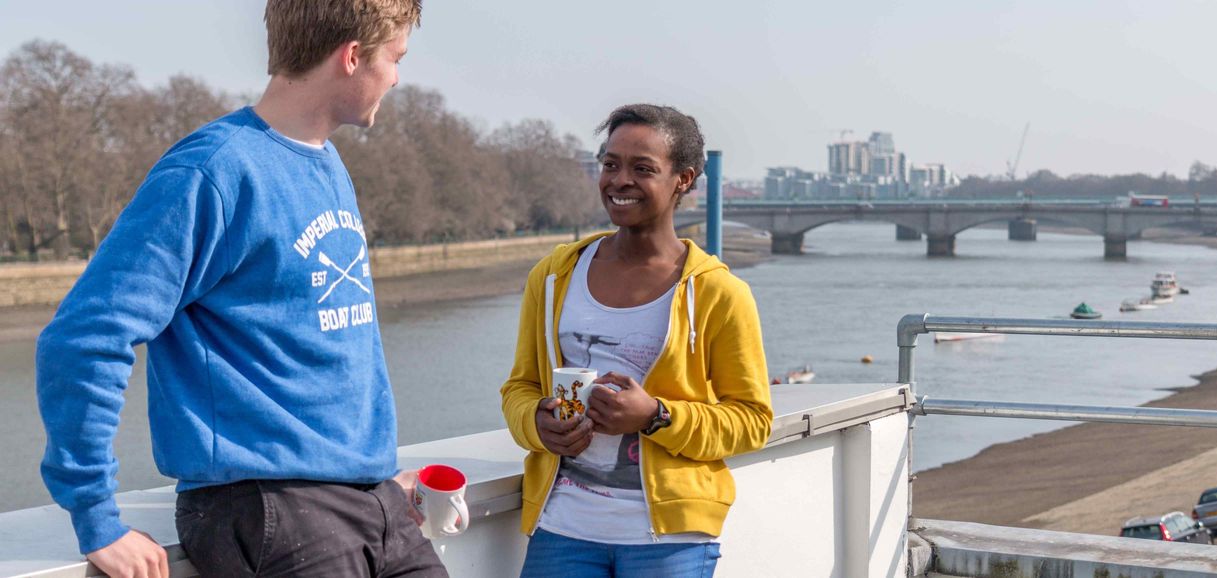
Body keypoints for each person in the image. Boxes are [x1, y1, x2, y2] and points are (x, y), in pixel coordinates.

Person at [34, 1, 444, 576]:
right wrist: (95, 515)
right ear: (352, 58)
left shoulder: (327, 165)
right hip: (271, 511)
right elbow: (83, 336)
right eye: (395, 58)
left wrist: (369, 477)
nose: (397, 76)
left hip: (373, 505)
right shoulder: (211, 172)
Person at [500, 104, 773, 577]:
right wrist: (535, 423)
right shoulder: (552, 276)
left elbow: (752, 422)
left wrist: (656, 416)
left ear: (683, 180)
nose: (619, 180)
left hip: (668, 542)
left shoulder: (720, 293)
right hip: (561, 530)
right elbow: (519, 388)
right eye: (610, 164)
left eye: (642, 168)